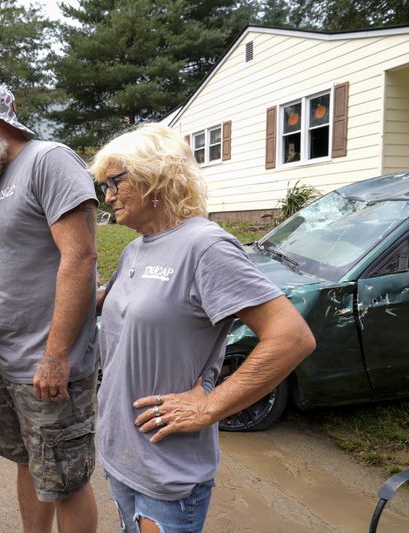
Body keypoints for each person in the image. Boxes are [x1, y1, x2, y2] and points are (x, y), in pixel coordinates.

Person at [91, 123, 316, 533]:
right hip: (121, 453)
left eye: (114, 183)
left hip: (167, 468)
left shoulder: (206, 246)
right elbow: (107, 308)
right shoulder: (133, 250)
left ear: (152, 176)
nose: (107, 196)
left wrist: (210, 406)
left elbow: (291, 337)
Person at [0, 81, 100, 533]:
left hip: (49, 368)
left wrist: (56, 357)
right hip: (9, 363)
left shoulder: (49, 161)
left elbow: (81, 256)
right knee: (29, 467)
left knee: (67, 481)